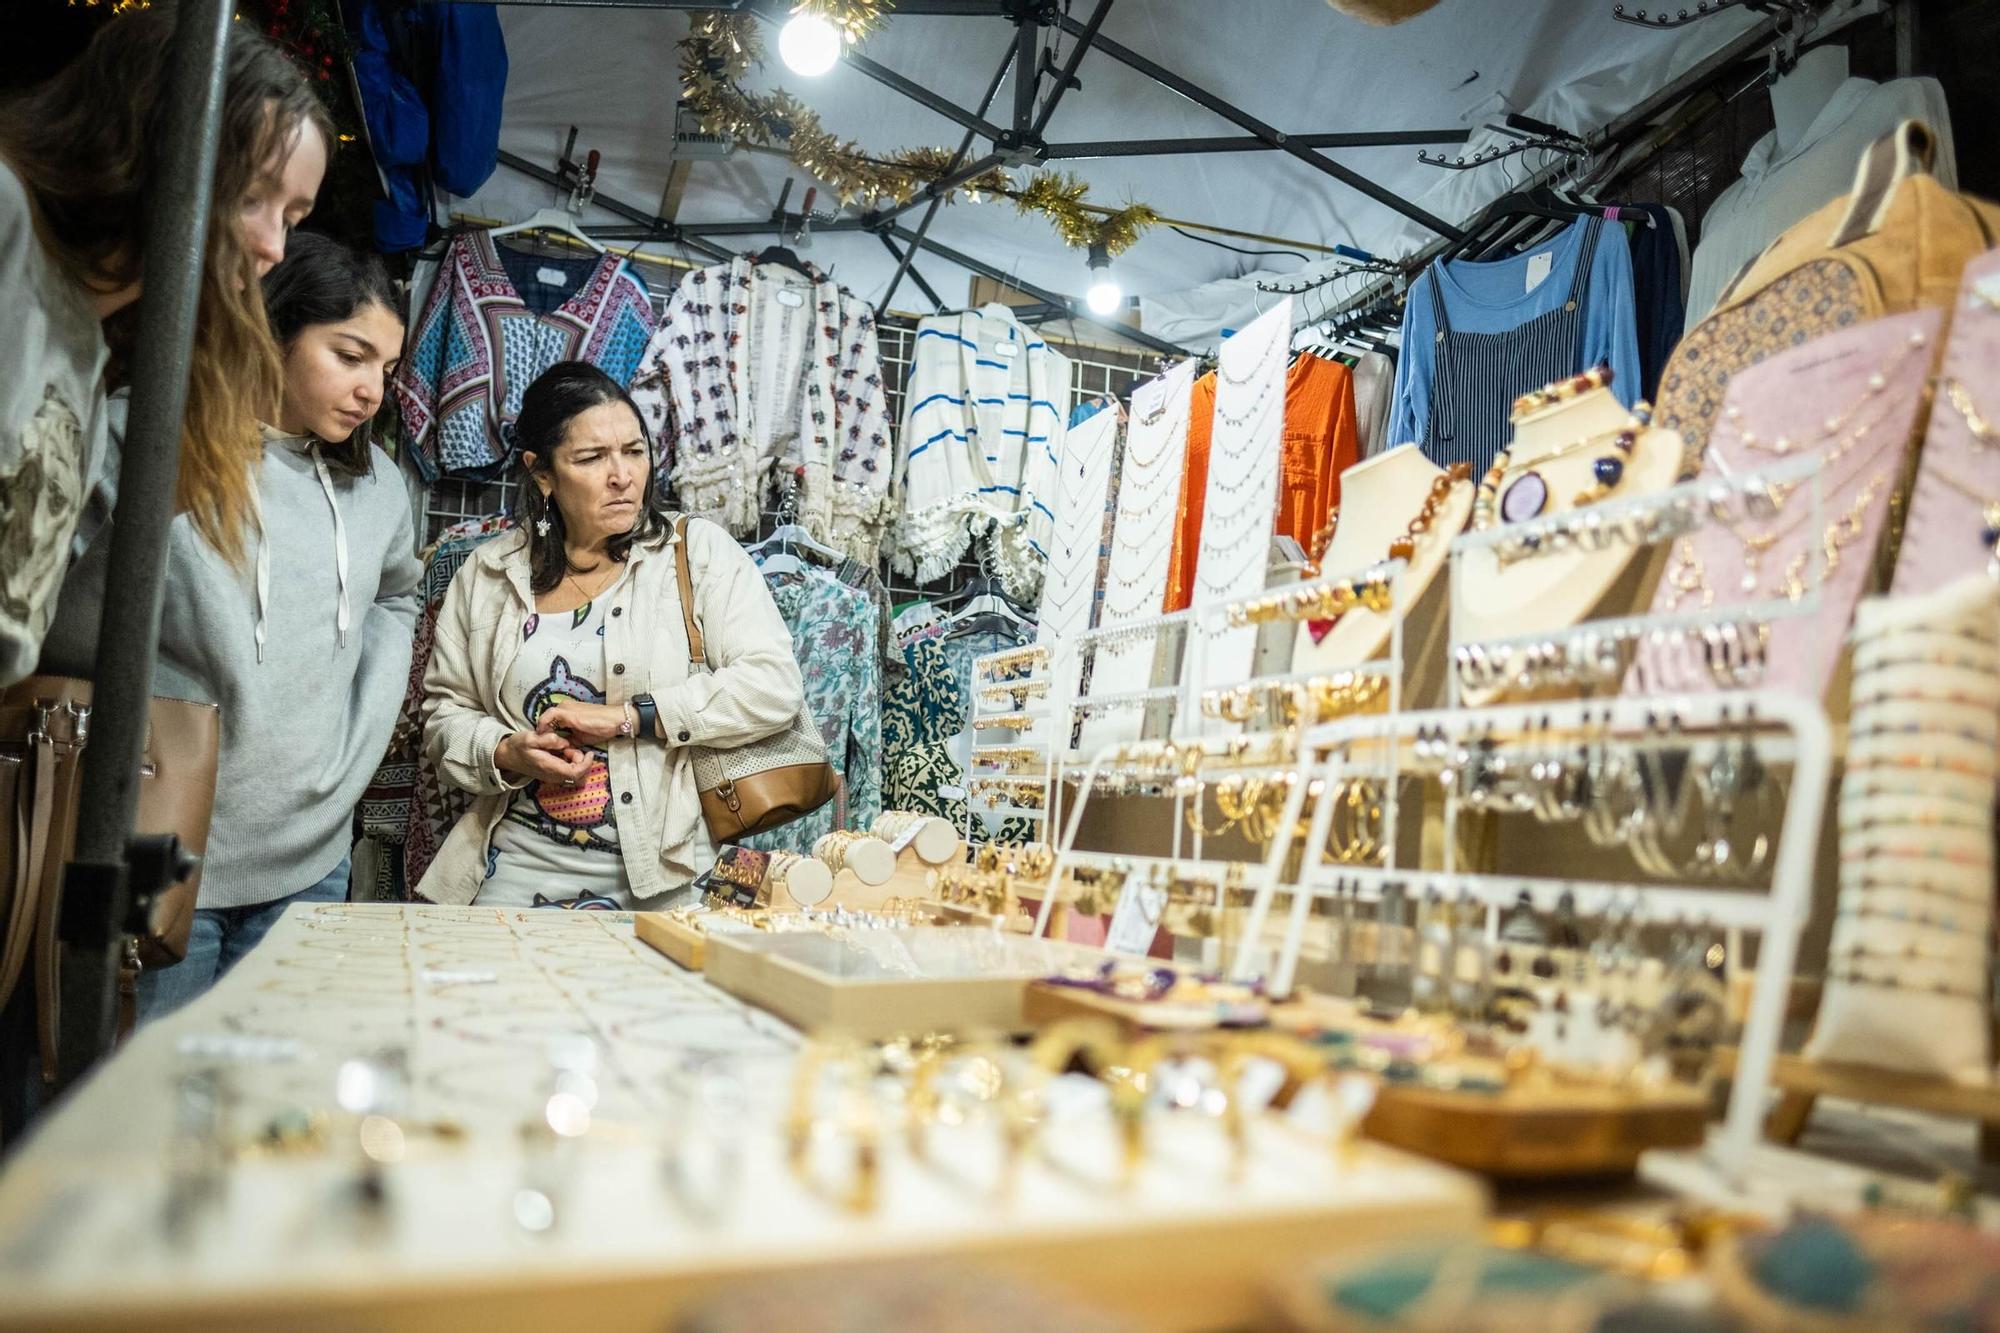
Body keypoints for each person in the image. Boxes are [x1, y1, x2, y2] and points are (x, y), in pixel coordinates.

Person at [40, 232, 420, 1020]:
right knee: (112, 1092)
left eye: (386, 368)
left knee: (259, 1101)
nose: (372, 391)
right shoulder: (144, 433)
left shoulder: (380, 485)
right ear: (272, 332)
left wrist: (358, 740)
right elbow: (52, 616)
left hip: (311, 853)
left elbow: (397, 597)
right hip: (142, 839)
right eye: (349, 356)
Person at [0, 7, 330, 686]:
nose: (273, 246)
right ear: (149, 143)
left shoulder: (93, 353)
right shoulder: (7, 227)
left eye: (292, 218)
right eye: (251, 196)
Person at [418, 361, 805, 909]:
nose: (622, 475)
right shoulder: (488, 576)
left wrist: (632, 716)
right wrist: (507, 751)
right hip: (519, 873)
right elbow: (443, 717)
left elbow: (772, 687)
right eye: (592, 458)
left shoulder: (698, 554)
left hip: (675, 878)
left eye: (634, 450)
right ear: (542, 473)